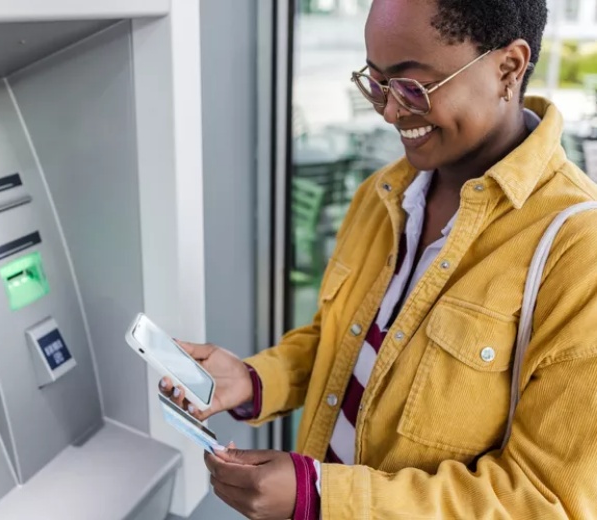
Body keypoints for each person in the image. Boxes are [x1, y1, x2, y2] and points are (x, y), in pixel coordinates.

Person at [161, 0, 597, 518]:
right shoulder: (385, 192)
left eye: (413, 87)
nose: (390, 111)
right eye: (375, 82)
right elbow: (340, 342)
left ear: (508, 67)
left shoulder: (577, 252)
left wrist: (321, 496)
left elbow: (546, 500)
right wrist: (254, 380)